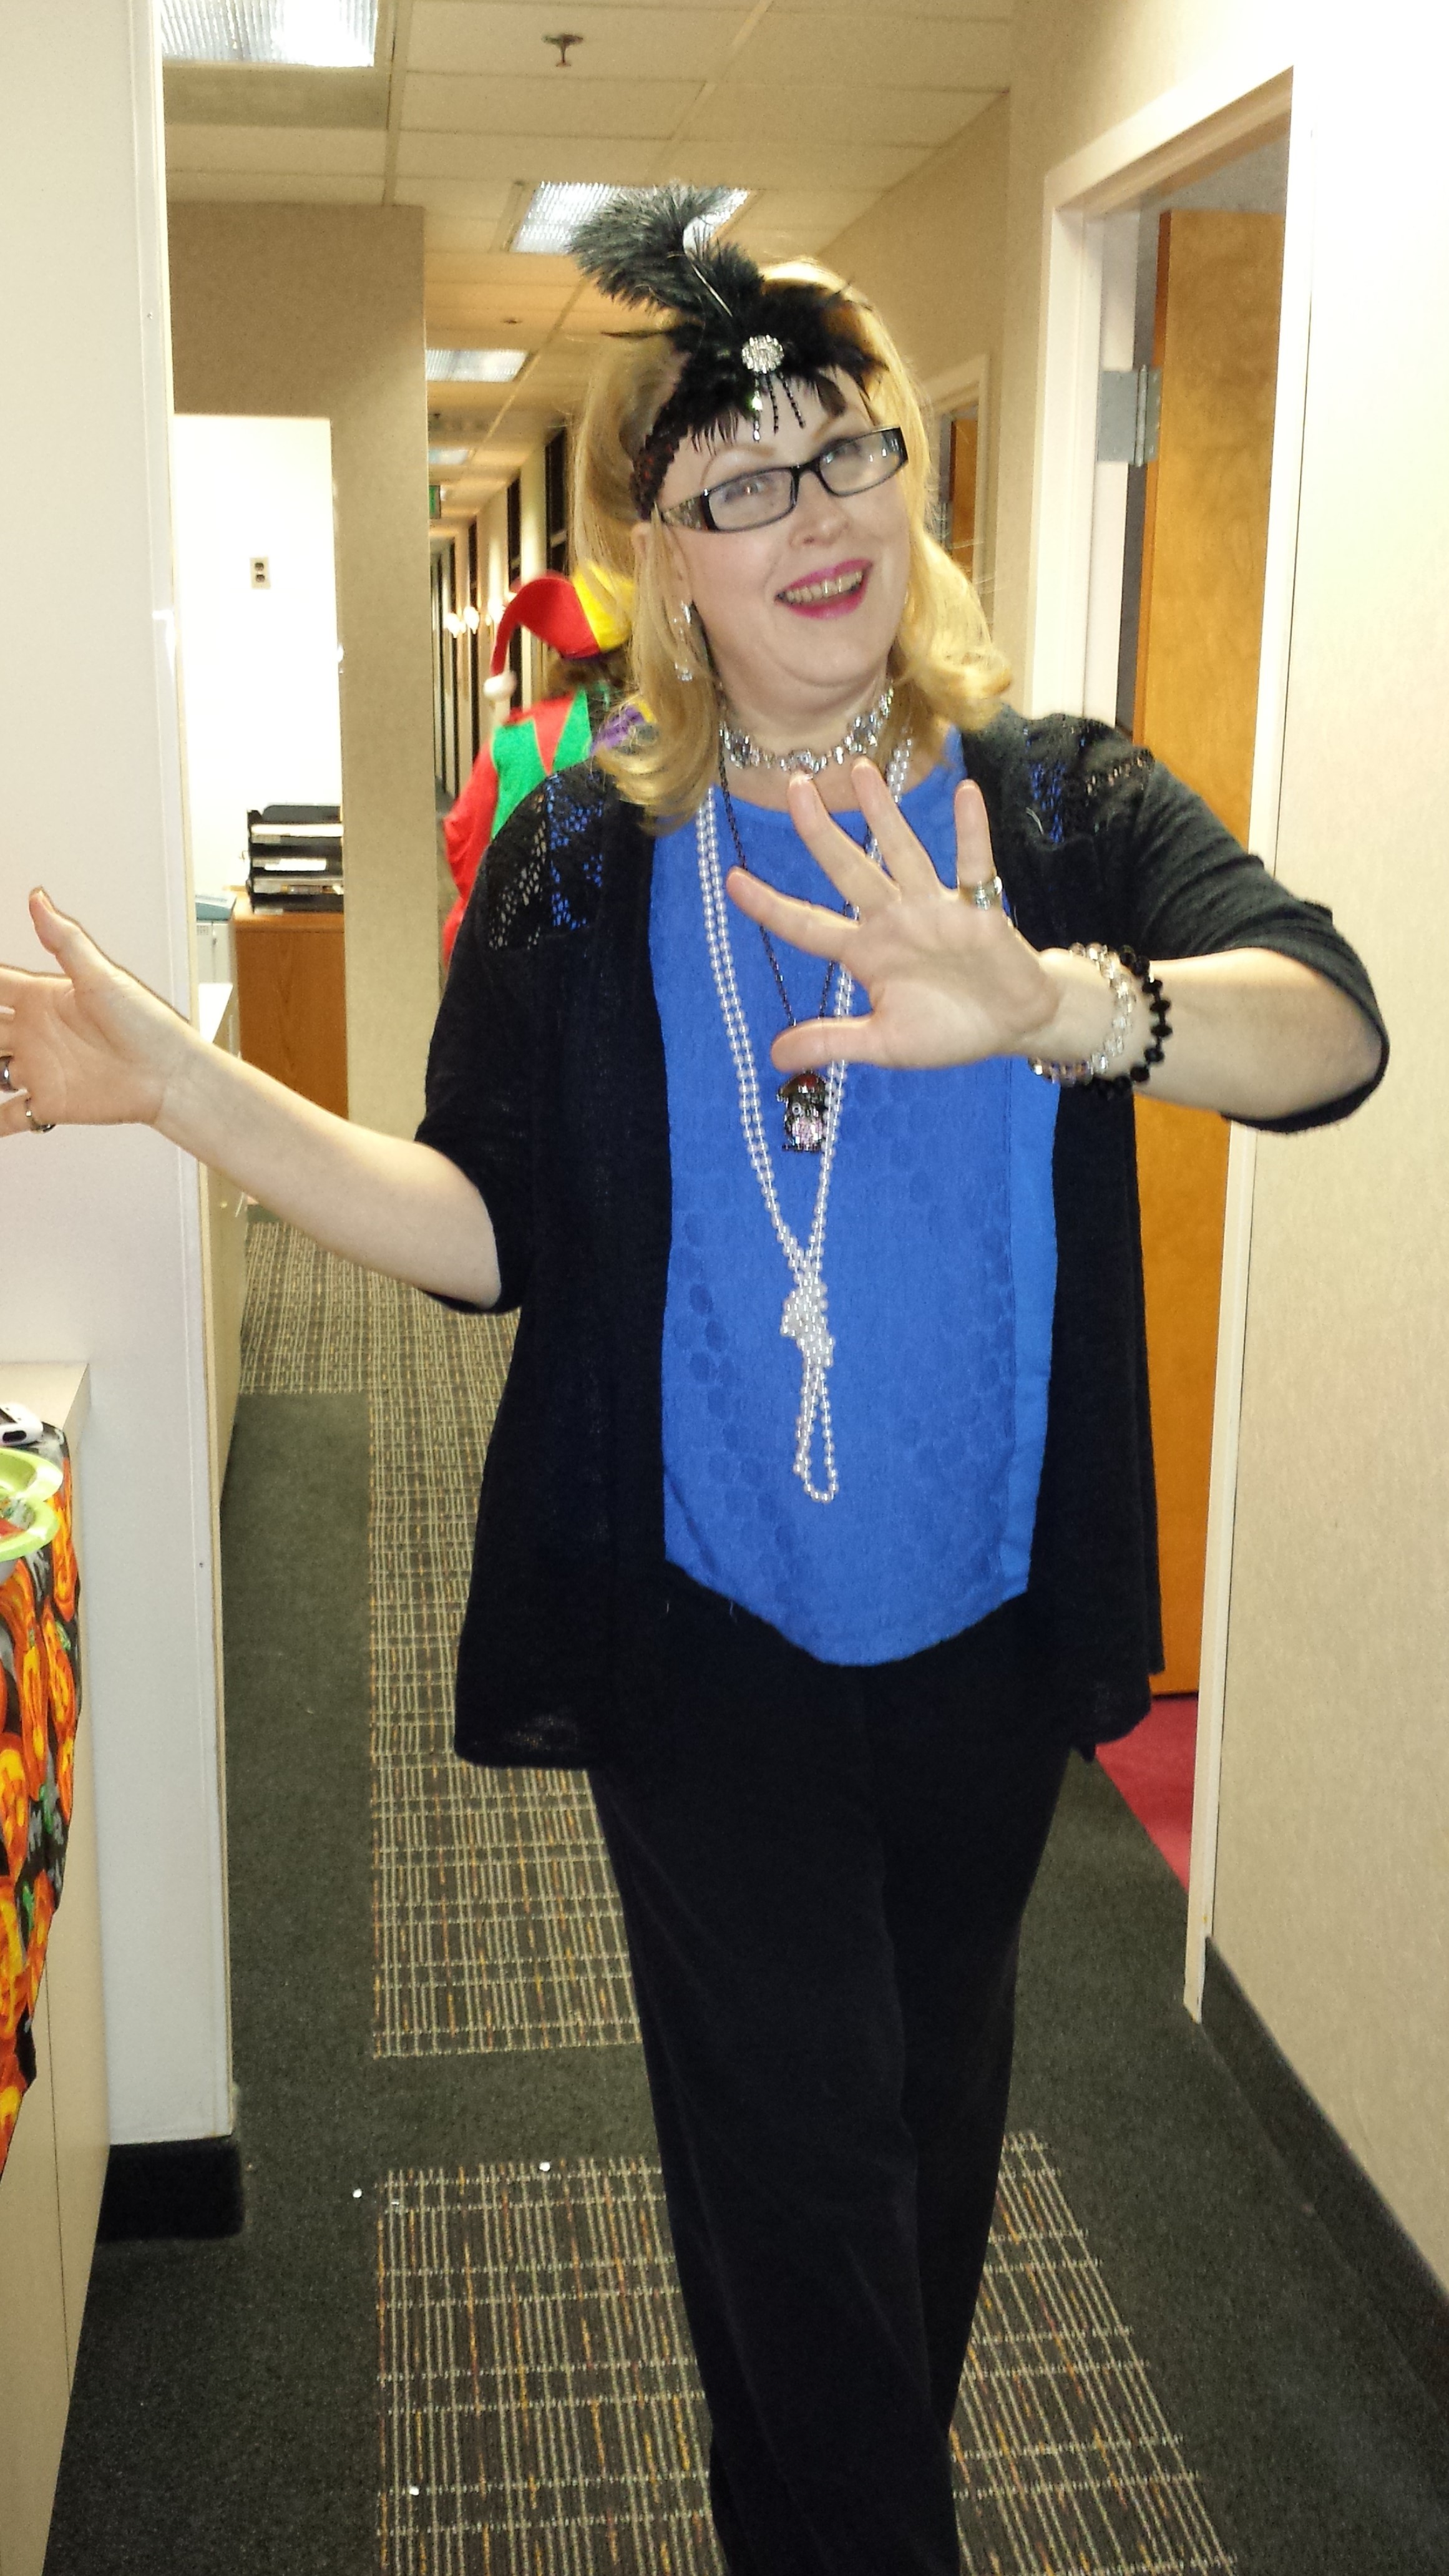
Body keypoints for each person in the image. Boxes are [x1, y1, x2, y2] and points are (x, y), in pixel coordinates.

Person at [0, 187, 1385, 2576]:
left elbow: (1327, 1027)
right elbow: (486, 1225)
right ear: (664, 556)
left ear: (905, 480)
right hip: (704, 1642)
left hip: (978, 1638)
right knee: (803, 2180)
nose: (813, 510)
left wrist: (1061, 1004)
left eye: (847, 448)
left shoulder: (1056, 809)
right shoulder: (582, 859)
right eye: (742, 481)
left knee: (914, 2172)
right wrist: (190, 1096)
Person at [440, 564, 630, 959]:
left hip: (519, 936)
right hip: (607, 937)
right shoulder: (638, 731)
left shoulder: (510, 739)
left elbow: (464, 837)